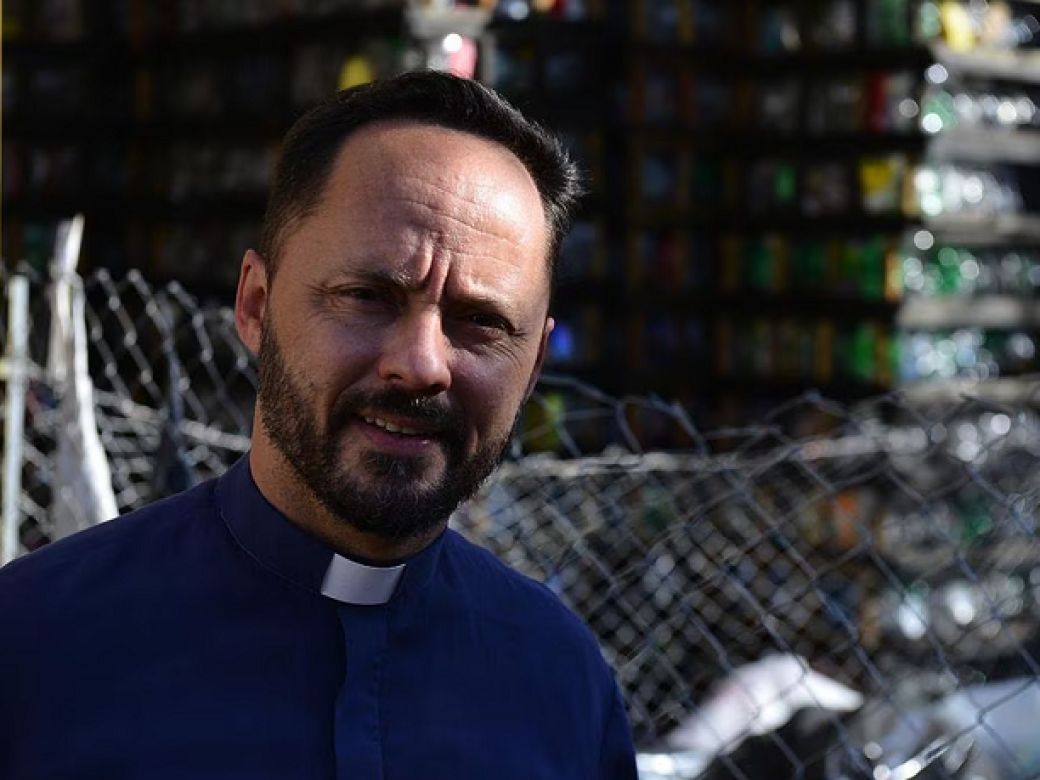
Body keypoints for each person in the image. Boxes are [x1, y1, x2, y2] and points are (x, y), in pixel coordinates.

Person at [0, 71, 637, 778]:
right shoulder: (34, 644)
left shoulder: (560, 683)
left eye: (481, 322)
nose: (421, 365)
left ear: (536, 363)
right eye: (367, 296)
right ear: (256, 306)